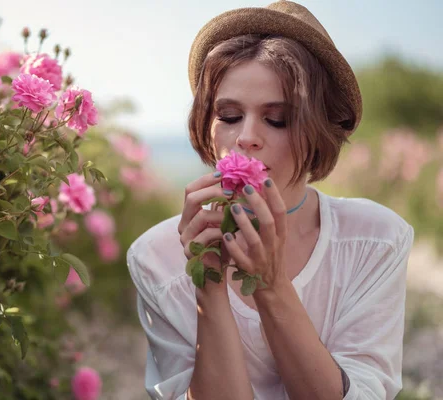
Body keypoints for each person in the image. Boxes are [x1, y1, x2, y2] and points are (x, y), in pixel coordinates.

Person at [126, 1, 414, 399]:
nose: (246, 137)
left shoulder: (375, 240)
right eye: (228, 115)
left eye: (276, 119)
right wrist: (207, 283)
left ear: (319, 133)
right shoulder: (156, 257)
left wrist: (270, 283)